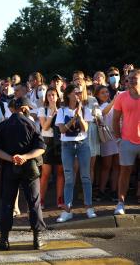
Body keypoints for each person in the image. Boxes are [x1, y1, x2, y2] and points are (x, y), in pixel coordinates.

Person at [0, 97, 46, 250]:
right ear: (24, 108)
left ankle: (4, 240)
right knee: (34, 202)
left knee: (7, 203)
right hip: (30, 168)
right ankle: (37, 239)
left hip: (9, 167)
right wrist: (25, 157)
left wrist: (11, 158)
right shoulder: (32, 125)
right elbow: (41, 148)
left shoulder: (3, 125)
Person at [55, 84, 97, 223]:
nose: (78, 94)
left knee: (85, 176)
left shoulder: (85, 110)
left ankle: (89, 207)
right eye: (75, 92)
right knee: (69, 177)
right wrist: (73, 119)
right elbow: (62, 130)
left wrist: (79, 116)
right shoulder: (61, 110)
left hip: (82, 144)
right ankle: (67, 210)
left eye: (79, 92)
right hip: (67, 145)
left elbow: (85, 128)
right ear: (68, 95)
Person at [113, 69, 140, 215]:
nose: (132, 81)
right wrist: (118, 139)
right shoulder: (121, 97)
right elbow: (115, 120)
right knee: (125, 172)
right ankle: (120, 203)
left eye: (135, 78)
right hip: (127, 141)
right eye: (129, 78)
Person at [38, 88, 64, 209]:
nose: (51, 97)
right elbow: (44, 127)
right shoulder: (43, 110)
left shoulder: (62, 110)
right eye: (49, 95)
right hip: (47, 142)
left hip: (59, 143)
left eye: (53, 95)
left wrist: (57, 112)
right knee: (45, 173)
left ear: (58, 96)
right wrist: (51, 113)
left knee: (60, 172)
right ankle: (41, 199)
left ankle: (60, 199)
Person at [94, 85, 119, 202]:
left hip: (117, 137)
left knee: (116, 166)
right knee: (106, 166)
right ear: (98, 95)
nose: (105, 94)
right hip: (106, 138)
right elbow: (103, 113)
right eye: (102, 93)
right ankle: (101, 190)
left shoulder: (115, 104)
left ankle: (114, 191)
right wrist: (114, 100)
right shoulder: (97, 106)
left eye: (106, 92)